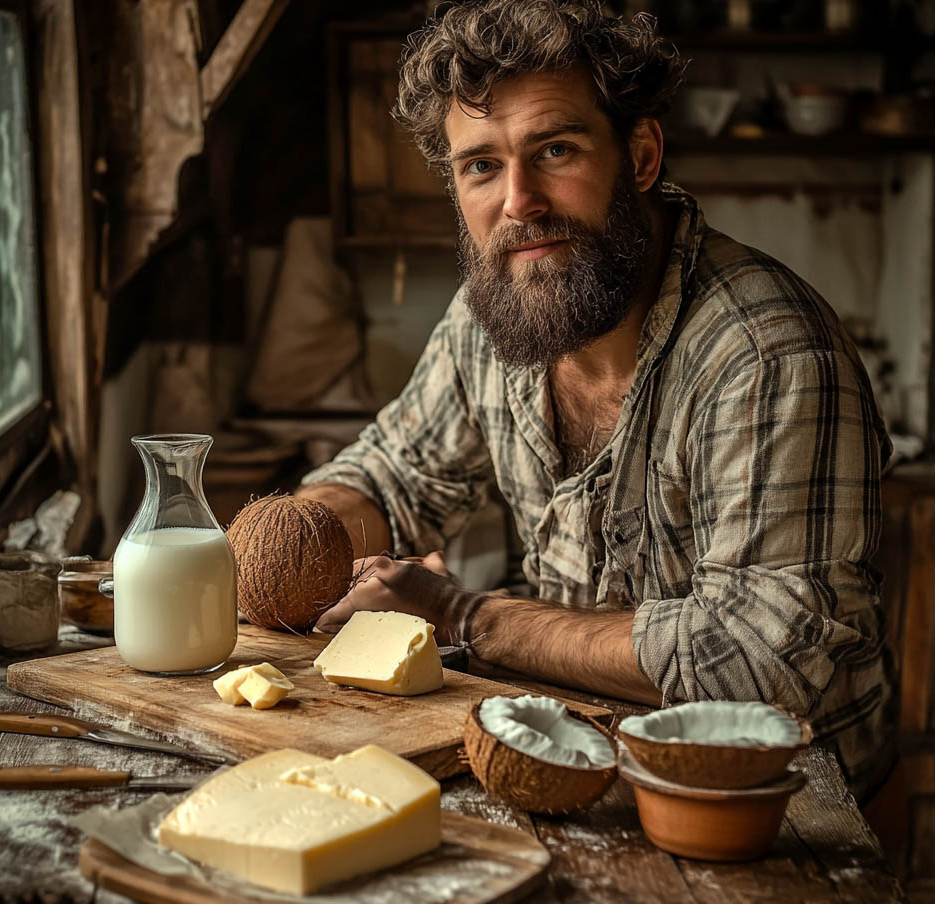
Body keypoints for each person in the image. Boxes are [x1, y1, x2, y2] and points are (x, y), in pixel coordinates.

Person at [296, 0, 896, 801]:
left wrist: (462, 615)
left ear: (640, 155)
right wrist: (289, 545)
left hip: (781, 810)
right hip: (579, 761)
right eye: (481, 166)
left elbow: (762, 667)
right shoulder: (491, 317)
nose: (519, 201)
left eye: (555, 149)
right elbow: (393, 476)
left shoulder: (766, 354)